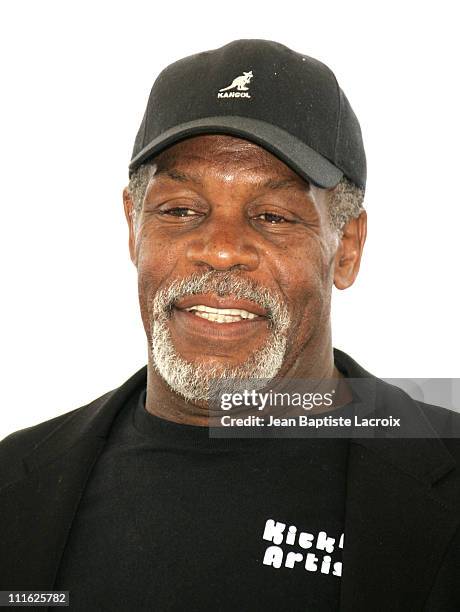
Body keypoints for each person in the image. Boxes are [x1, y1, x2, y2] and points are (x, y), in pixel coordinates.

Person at [0, 39, 459, 611]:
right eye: (181, 210)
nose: (219, 250)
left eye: (273, 217)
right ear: (133, 228)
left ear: (347, 249)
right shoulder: (14, 485)